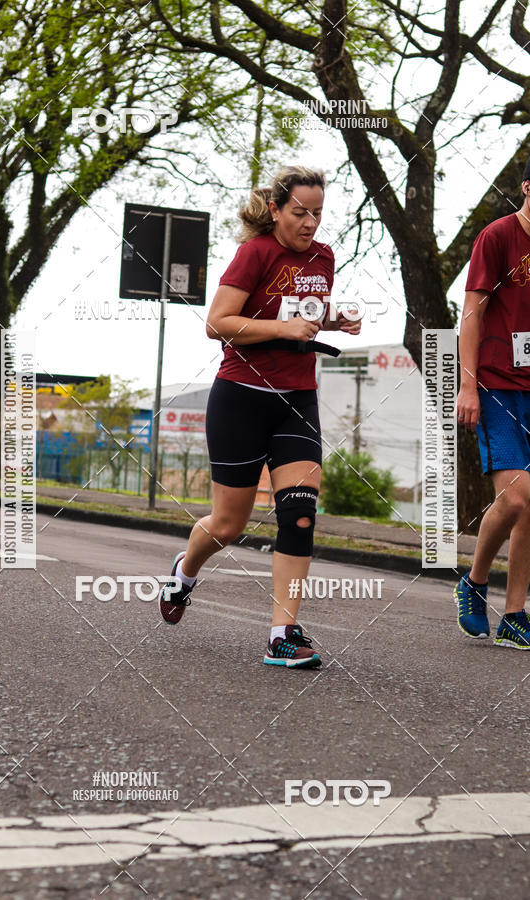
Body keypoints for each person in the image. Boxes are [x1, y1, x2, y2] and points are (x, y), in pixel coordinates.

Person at [158, 165, 361, 668]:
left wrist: (334, 320)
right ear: (275, 209)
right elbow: (217, 323)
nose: (310, 223)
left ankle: (281, 635)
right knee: (228, 525)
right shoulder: (255, 253)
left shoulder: (323, 257)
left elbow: (301, 315)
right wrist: (281, 330)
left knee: (300, 514)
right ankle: (185, 571)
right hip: (241, 398)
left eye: (318, 213)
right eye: (300, 212)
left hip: (297, 401)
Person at [454, 157, 530, 650]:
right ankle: (475, 580)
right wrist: (467, 385)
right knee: (518, 498)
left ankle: (515, 614)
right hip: (498, 385)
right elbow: (472, 314)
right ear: (527, 187)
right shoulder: (498, 236)